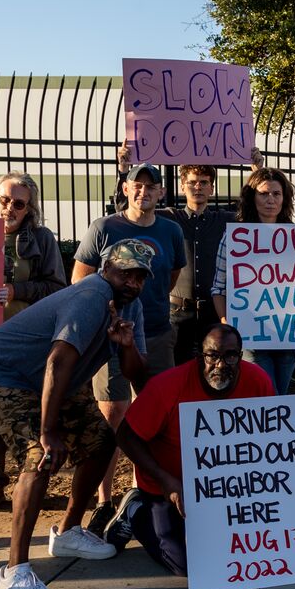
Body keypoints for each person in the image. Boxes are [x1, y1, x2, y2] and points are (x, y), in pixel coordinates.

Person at [0, 240, 153, 589]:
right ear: (107, 269)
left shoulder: (130, 305)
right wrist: (48, 429)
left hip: (56, 382)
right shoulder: (91, 296)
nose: (133, 282)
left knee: (102, 440)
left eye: (140, 276)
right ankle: (14, 571)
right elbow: (57, 361)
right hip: (6, 374)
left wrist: (127, 345)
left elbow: (139, 377)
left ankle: (68, 532)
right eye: (126, 272)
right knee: (39, 456)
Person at [103, 323, 276, 573]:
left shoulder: (258, 380)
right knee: (186, 565)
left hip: (228, 490)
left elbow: (272, 434)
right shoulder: (168, 386)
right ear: (199, 356)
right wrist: (164, 480)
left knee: (242, 553)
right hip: (169, 488)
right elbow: (126, 436)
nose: (220, 364)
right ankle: (137, 512)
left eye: (230, 356)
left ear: (240, 356)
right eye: (212, 355)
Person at [71, 162, 187, 517]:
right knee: (113, 414)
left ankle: (144, 492)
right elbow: (80, 280)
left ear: (161, 193)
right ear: (125, 188)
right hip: (109, 337)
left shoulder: (170, 230)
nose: (144, 191)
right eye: (138, 185)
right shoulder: (103, 227)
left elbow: (170, 276)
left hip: (157, 333)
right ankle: (104, 500)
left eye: (151, 186)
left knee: (156, 414)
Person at [0, 172, 66, 512]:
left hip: (27, 343)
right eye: (5, 199)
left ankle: (36, 480)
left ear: (30, 209)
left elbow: (57, 287)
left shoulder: (40, 239)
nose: (9, 207)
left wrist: (18, 290)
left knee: (33, 412)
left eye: (19, 203)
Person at [210, 168, 295, 394]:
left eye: (276, 193)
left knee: (280, 396)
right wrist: (229, 323)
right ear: (252, 197)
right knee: (266, 395)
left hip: (289, 337)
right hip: (251, 336)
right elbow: (218, 287)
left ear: (285, 199)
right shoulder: (235, 238)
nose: (270, 200)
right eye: (264, 194)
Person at [161, 163, 235, 363]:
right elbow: (130, 211)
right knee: (177, 371)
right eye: (192, 182)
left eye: (204, 182)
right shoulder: (168, 218)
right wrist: (124, 171)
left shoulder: (226, 219)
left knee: (213, 369)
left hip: (213, 312)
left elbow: (263, 217)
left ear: (212, 188)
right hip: (177, 313)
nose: (198, 187)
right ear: (182, 186)